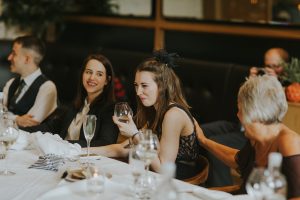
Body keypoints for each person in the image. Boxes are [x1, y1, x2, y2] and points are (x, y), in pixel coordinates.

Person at [90, 50, 204, 179]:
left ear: (162, 86)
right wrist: (80, 150)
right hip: (153, 176)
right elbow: (121, 149)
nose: (138, 92)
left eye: (144, 86)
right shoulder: (154, 111)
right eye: (136, 85)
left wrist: (135, 134)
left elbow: (163, 169)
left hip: (178, 183)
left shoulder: (173, 115)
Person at [196, 75, 300, 199]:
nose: (238, 115)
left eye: (240, 110)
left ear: (255, 112)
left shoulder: (289, 142)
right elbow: (239, 160)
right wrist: (203, 140)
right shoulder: (256, 139)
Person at [202, 47, 290, 187]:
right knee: (202, 131)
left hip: (253, 127)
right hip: (240, 124)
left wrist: (275, 82)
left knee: (214, 141)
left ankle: (218, 185)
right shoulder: (257, 81)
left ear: (286, 67)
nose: (270, 69)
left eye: (276, 66)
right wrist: (251, 82)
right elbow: (239, 106)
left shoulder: (288, 87)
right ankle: (199, 177)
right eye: (267, 66)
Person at [23, 53, 119, 147]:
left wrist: (63, 143)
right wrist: (19, 130)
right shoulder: (76, 105)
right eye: (88, 72)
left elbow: (105, 143)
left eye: (99, 74)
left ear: (107, 80)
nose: (92, 78)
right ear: (82, 74)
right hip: (62, 154)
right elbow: (51, 127)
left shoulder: (110, 109)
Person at [2, 35, 57, 128]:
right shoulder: (11, 83)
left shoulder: (47, 87)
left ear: (27, 59)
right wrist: (17, 119)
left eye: (14, 53)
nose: (9, 57)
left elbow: (29, 124)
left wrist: (8, 117)